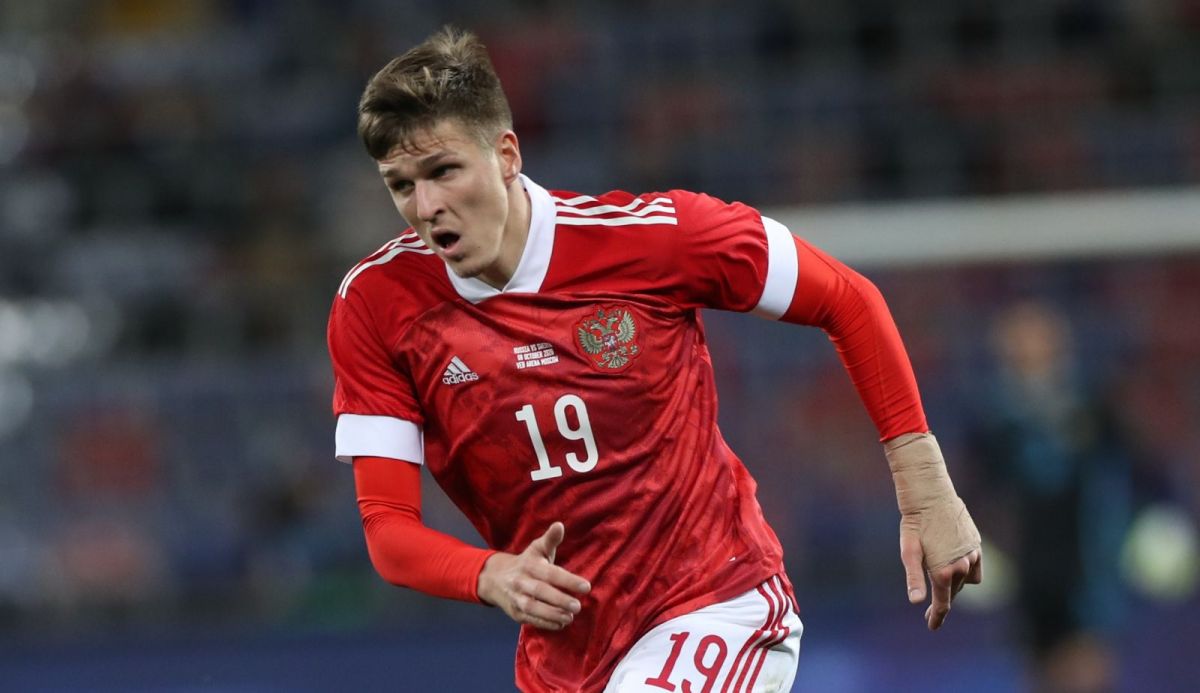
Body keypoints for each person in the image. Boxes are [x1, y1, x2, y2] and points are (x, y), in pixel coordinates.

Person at [327, 26, 982, 692]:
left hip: (716, 603)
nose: (427, 206)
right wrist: (488, 573)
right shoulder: (376, 305)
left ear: (506, 155)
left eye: (444, 171)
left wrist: (925, 488)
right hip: (567, 657)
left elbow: (847, 298)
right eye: (401, 185)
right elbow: (389, 532)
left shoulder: (655, 238)